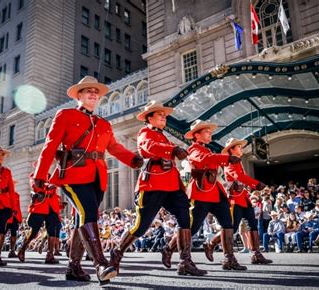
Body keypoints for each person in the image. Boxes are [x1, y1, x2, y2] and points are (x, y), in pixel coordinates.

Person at [32, 76, 143, 285]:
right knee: (88, 213)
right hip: (73, 174)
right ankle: (100, 264)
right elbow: (50, 145)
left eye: (96, 92)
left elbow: (114, 148)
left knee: (80, 220)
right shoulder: (65, 115)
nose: (93, 94)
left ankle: (74, 266)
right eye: (88, 91)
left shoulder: (103, 123)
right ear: (79, 95)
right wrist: (40, 175)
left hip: (97, 177)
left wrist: (132, 158)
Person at [110, 101, 207, 276]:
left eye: (165, 115)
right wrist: (173, 149)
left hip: (172, 186)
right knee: (141, 226)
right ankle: (117, 253)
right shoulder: (144, 133)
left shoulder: (164, 136)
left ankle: (185, 261)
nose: (164, 116)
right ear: (149, 118)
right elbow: (149, 148)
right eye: (159, 114)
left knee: (185, 219)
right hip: (152, 185)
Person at [159, 120, 245, 270]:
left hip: (215, 191)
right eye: (206, 131)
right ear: (196, 135)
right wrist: (225, 158)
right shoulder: (193, 149)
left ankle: (228, 258)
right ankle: (169, 249)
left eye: (210, 132)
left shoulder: (207, 149)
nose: (210, 133)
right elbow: (204, 160)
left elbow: (211, 160)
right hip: (201, 191)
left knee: (227, 223)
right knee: (191, 227)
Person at [223, 138, 272, 264]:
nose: (241, 148)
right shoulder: (229, 162)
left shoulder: (238, 162)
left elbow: (241, 179)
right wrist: (256, 184)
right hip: (236, 200)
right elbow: (238, 177)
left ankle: (256, 254)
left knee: (253, 225)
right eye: (238, 146)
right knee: (232, 228)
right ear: (231, 149)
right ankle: (212, 244)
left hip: (244, 198)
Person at [6, 181, 22, 258]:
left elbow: (18, 207)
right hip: (6, 217)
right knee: (1, 233)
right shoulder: (4, 194)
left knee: (14, 234)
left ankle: (12, 250)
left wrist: (20, 218)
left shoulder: (16, 195)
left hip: (15, 217)